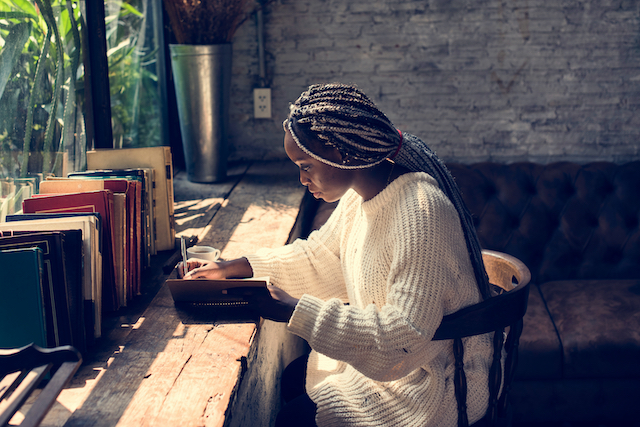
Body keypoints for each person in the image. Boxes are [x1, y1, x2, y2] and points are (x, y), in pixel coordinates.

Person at [181, 83, 494, 427]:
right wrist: (236, 267)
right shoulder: (359, 197)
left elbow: (404, 336)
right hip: (400, 368)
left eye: (305, 165)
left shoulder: (420, 209)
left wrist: (293, 310)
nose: (301, 178)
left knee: (290, 420)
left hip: (437, 383)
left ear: (339, 154)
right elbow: (321, 260)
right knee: (293, 379)